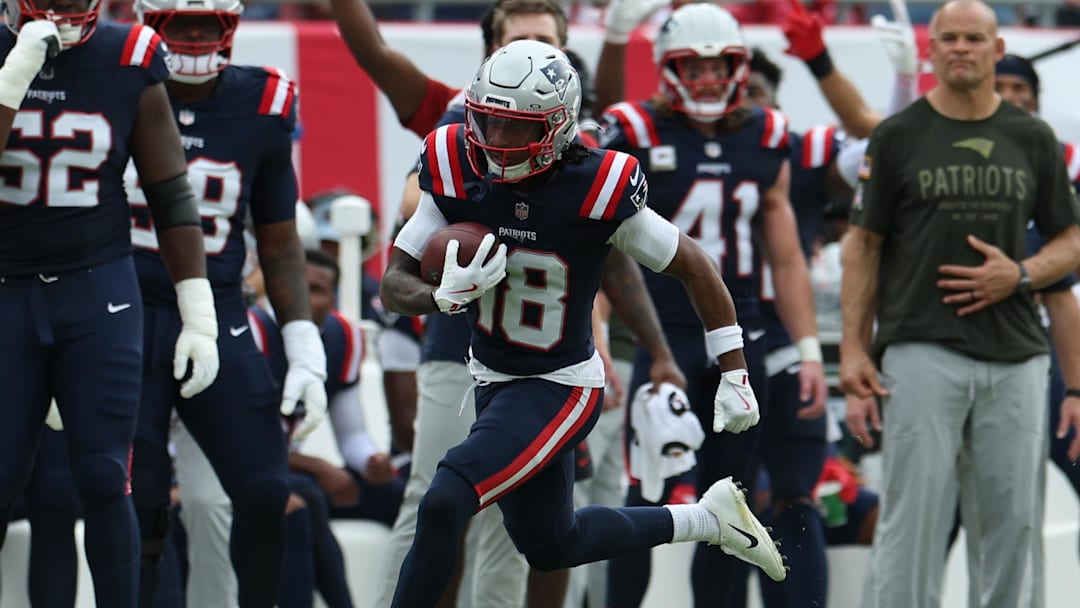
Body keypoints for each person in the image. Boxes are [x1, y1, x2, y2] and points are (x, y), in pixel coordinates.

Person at [382, 38, 787, 608]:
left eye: (517, 129)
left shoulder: (596, 186)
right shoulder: (454, 162)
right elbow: (393, 283)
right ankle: (707, 519)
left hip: (560, 384)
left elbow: (695, 266)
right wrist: (439, 296)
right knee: (551, 543)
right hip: (493, 379)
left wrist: (734, 370)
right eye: (489, 124)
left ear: (559, 127)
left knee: (446, 497)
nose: (497, 144)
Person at [839, 3, 1080, 608]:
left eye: (975, 38)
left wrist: (1019, 274)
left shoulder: (1033, 137)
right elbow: (862, 246)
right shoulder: (896, 136)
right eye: (948, 38)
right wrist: (851, 349)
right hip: (920, 349)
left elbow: (1070, 240)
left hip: (1018, 355)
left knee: (1014, 532)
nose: (961, 48)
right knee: (910, 526)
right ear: (931, 49)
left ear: (997, 50)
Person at [598, 5, 826, 607]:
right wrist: (599, 329)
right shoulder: (635, 129)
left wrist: (807, 350)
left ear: (739, 65)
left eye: (717, 64)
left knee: (732, 500)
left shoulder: (768, 134)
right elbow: (598, 243)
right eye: (690, 65)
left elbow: (787, 257)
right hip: (664, 336)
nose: (704, 77)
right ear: (666, 68)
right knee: (645, 493)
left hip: (741, 339)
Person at [0, 0, 220, 604]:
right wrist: (12, 77)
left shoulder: (129, 55)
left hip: (97, 291)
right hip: (6, 292)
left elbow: (170, 191)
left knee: (103, 477)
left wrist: (197, 313)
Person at [125, 1, 327, 607]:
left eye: (205, 24)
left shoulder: (262, 103)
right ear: (149, 24)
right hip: (122, 309)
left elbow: (279, 237)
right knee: (140, 498)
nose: (192, 36)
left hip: (214, 312)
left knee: (266, 488)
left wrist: (302, 343)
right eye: (178, 23)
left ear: (229, 28)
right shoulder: (116, 81)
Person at [244, 249, 406, 608]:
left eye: (317, 289)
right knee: (309, 498)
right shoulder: (251, 332)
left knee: (401, 496)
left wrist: (371, 461)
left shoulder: (342, 337)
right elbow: (243, 445)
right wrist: (320, 468)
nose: (303, 295)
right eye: (297, 283)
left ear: (332, 299)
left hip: (285, 468)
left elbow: (351, 435)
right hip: (244, 472)